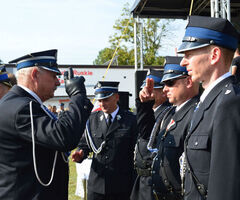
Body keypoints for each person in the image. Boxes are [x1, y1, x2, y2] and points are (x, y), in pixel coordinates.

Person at [179, 16, 240, 200]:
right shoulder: (209, 102)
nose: (183, 62)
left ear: (214, 55)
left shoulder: (231, 104)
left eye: (189, 54)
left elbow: (228, 188)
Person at [0, 49, 93, 200]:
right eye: (54, 75)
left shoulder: (23, 103)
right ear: (35, 74)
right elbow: (64, 137)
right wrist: (78, 96)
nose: (58, 82)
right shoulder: (22, 107)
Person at [139, 56, 199, 200]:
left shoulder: (197, 113)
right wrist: (145, 105)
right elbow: (146, 135)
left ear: (189, 81)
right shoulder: (169, 113)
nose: (165, 89)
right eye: (164, 84)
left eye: (170, 83)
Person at [72, 81, 138, 200]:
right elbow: (86, 143)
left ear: (116, 97)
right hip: (97, 184)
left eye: (106, 99)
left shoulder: (130, 120)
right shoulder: (93, 119)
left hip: (121, 185)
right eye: (100, 100)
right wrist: (81, 152)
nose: (102, 104)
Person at [131, 68, 170, 200]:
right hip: (140, 177)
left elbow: (148, 133)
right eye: (144, 88)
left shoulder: (168, 113)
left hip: (155, 177)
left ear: (163, 92)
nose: (146, 92)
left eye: (151, 89)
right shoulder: (144, 112)